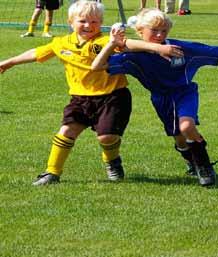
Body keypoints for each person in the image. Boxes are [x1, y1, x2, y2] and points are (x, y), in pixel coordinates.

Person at [0, 1, 182, 186]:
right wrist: (9, 62)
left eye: (95, 22)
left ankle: (112, 161)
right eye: (83, 21)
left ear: (101, 22)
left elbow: (128, 43)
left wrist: (159, 47)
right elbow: (36, 52)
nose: (89, 26)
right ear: (71, 22)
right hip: (80, 98)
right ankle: (51, 172)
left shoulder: (102, 42)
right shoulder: (61, 43)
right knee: (66, 131)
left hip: (112, 97)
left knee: (106, 137)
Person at [92, 8, 218, 187]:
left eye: (164, 30)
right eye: (154, 30)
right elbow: (97, 66)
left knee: (187, 126)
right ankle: (191, 162)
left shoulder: (178, 48)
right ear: (140, 32)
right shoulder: (134, 56)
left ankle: (204, 165)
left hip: (184, 92)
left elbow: (216, 51)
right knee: (179, 139)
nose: (159, 34)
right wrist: (112, 44)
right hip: (161, 99)